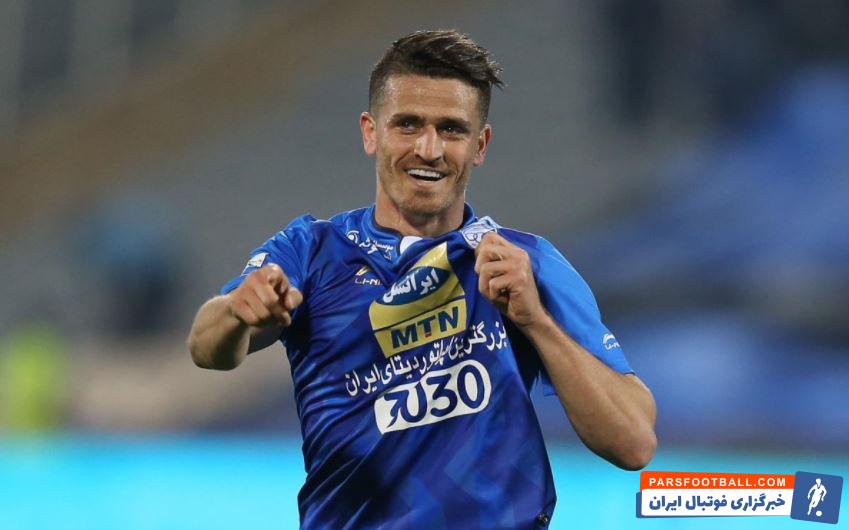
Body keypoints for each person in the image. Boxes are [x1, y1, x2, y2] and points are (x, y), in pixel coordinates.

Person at [188, 29, 656, 529]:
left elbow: (632, 442)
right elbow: (206, 348)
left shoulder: (523, 263)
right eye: (408, 124)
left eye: (452, 130)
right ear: (371, 132)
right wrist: (239, 311)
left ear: (480, 145)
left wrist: (535, 321)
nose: (429, 150)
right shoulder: (311, 251)